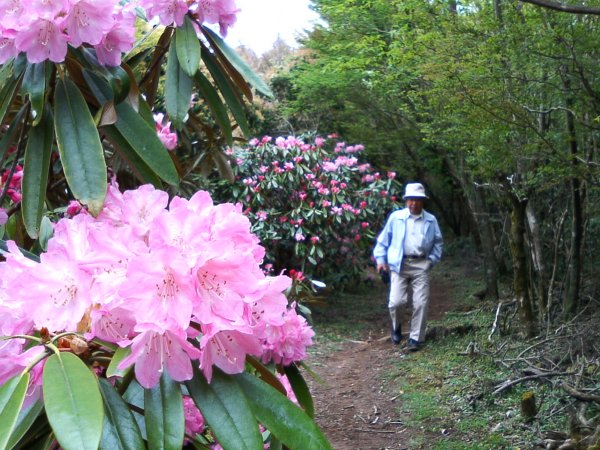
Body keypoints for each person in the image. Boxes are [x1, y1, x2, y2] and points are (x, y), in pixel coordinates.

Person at [373, 182, 443, 352]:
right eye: (410, 200)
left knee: (421, 302)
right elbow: (383, 240)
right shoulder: (396, 218)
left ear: (423, 201)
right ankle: (396, 327)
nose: (414, 203)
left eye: (417, 200)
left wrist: (431, 261)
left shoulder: (431, 220)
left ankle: (415, 338)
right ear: (406, 201)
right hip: (399, 263)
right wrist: (381, 261)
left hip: (421, 264)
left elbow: (438, 243)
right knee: (396, 302)